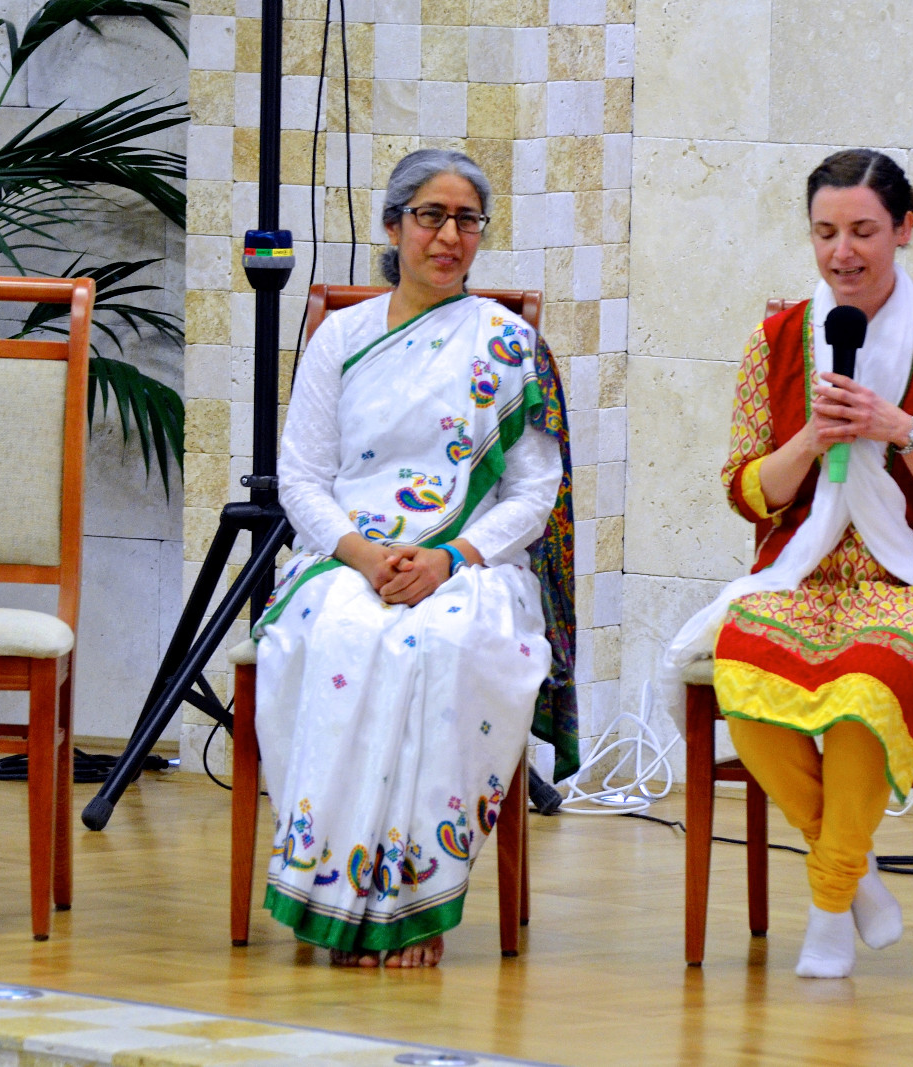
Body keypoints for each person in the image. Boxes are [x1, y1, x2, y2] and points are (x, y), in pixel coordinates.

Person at [666, 149, 913, 979]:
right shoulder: (774, 341)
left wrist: (901, 430)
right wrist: (808, 441)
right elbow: (747, 494)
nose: (843, 252)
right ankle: (853, 870)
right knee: (742, 661)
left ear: (904, 228)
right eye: (825, 232)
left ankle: (829, 907)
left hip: (909, 580)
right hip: (797, 572)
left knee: (870, 680)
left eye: (863, 230)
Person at [253, 148, 576, 968]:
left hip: (472, 565)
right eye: (432, 216)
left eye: (467, 220)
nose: (449, 237)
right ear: (393, 226)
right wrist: (365, 557)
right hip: (348, 559)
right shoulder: (341, 337)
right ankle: (336, 900)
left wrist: (449, 558)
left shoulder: (510, 344)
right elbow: (301, 476)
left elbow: (535, 494)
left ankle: (414, 907)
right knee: (340, 637)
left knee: (442, 644)